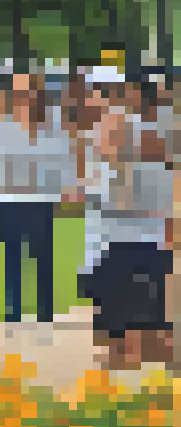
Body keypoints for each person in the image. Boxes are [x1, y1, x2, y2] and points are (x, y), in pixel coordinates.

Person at [73, 77, 173, 371]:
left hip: (124, 240)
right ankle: (142, 348)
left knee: (127, 308)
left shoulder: (131, 135)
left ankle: (131, 351)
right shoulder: (121, 136)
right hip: (128, 238)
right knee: (143, 305)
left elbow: (119, 194)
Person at [0, 72, 78, 325]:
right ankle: (13, 313)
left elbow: (62, 161)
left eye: (26, 93)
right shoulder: (5, 126)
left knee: (42, 261)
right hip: (12, 201)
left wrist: (60, 186)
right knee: (13, 261)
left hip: (40, 200)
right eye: (17, 94)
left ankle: (44, 313)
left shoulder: (52, 126)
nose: (22, 98)